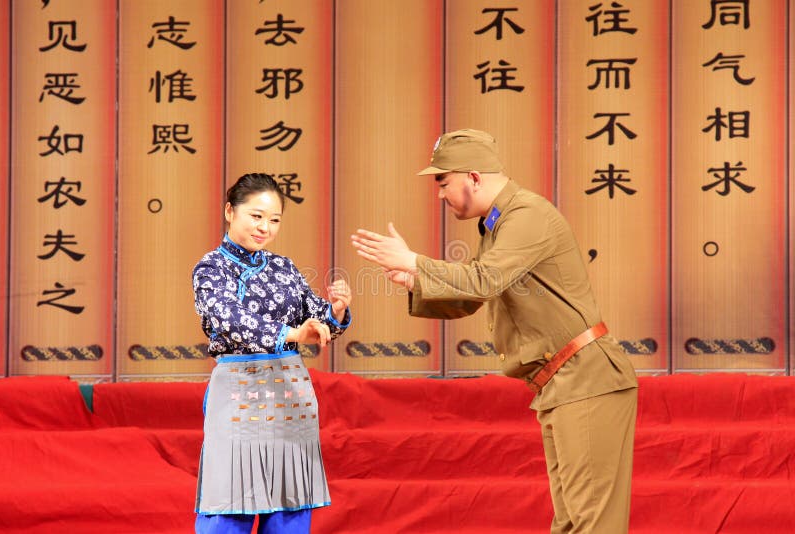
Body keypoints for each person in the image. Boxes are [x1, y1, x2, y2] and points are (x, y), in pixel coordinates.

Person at [351, 129, 638, 533]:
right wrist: (414, 279)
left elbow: (483, 281)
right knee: (572, 522)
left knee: (592, 523)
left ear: (473, 177)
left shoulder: (527, 216)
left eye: (443, 182)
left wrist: (416, 261)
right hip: (565, 380)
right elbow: (473, 295)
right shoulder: (500, 223)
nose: (439, 194)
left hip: (585, 377)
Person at [193, 172, 352, 534]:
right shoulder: (210, 268)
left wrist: (335, 312)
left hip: (289, 394)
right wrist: (294, 333)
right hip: (237, 391)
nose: (265, 227)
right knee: (228, 506)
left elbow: (314, 317)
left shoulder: (283, 267)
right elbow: (230, 320)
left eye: (275, 219)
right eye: (256, 216)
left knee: (290, 507)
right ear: (230, 212)